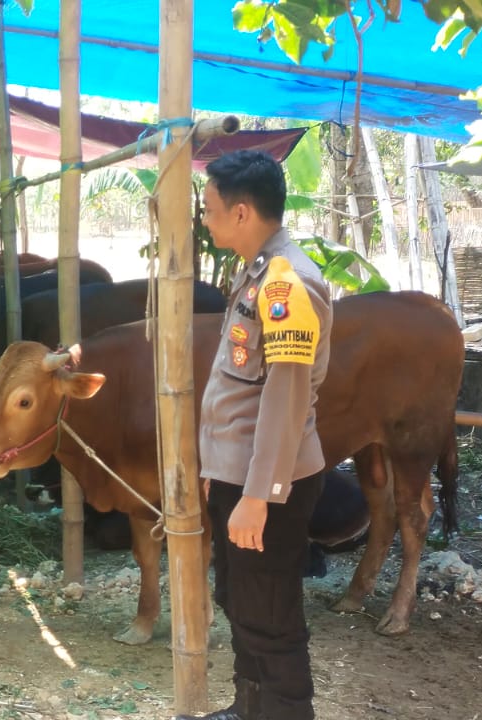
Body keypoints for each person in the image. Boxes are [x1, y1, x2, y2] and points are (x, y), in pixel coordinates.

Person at [182, 150, 333, 720]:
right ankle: (250, 708)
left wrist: (257, 494)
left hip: (267, 483)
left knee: (270, 614)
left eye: (211, 209)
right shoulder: (257, 274)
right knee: (240, 601)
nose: (206, 219)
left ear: (242, 212)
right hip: (238, 475)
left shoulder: (286, 284)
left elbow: (285, 396)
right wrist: (217, 472)